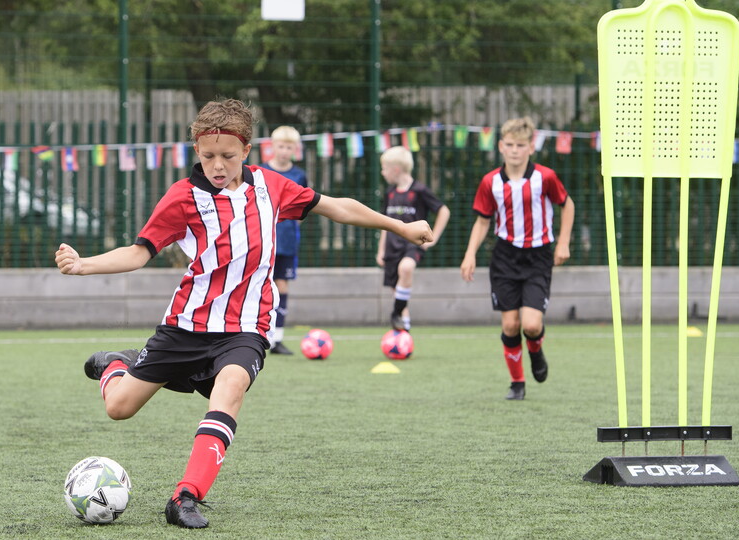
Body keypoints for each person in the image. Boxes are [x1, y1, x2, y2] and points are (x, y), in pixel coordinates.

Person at [54, 98, 433, 529]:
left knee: (231, 386)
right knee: (119, 408)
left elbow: (338, 207)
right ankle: (116, 364)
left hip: (246, 328)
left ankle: (186, 497)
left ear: (247, 150)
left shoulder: (271, 186)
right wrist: (84, 265)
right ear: (196, 151)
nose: (218, 165)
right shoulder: (183, 197)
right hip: (187, 325)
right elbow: (139, 252)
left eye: (228, 156)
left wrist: (400, 227)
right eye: (208, 156)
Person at [460, 117, 575, 400]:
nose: (514, 150)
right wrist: (470, 253)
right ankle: (517, 383)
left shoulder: (545, 177)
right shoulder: (490, 182)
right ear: (501, 146)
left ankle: (535, 350)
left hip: (538, 256)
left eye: (520, 145)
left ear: (531, 148)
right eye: (509, 145)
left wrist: (563, 242)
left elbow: (567, 204)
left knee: (531, 325)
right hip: (505, 257)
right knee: (511, 325)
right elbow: (483, 221)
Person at [375, 146, 450, 331]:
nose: (382, 173)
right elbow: (385, 222)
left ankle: (395, 314)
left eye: (384, 168)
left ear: (396, 169)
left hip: (412, 245)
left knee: (406, 268)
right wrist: (381, 249)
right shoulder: (389, 193)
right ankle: (404, 331)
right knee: (398, 291)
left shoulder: (419, 190)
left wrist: (433, 238)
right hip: (392, 246)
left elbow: (443, 211)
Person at [260, 126, 308, 355]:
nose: (284, 151)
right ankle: (255, 334)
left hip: (287, 241)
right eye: (281, 146)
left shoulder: (299, 175)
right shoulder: (261, 172)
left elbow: (304, 206)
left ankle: (277, 338)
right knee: (259, 285)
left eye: (289, 147)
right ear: (272, 146)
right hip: (262, 239)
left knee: (282, 285)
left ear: (295, 149)